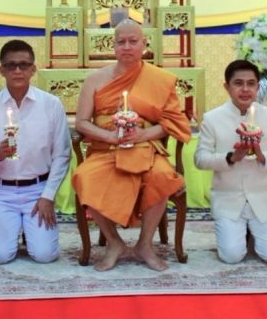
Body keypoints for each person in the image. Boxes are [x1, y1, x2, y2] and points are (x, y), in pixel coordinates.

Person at [72, 20, 191, 271]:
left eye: (133, 41)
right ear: (113, 45)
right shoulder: (95, 79)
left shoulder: (159, 79)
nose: (127, 47)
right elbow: (81, 122)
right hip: (106, 148)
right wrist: (110, 137)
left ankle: (144, 245)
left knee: (162, 176)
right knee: (84, 177)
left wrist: (144, 134)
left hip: (145, 147)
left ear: (144, 44)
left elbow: (172, 122)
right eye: (121, 42)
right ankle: (114, 243)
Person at [0, 40, 71, 264]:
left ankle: (29, 230)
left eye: (24, 65)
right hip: (2, 191)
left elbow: (62, 154)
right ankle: (12, 226)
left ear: (33, 69)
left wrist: (48, 196)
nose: (18, 70)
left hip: (38, 190)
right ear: (2, 70)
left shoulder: (51, 104)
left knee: (45, 255)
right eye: (11, 65)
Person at [194, 60, 267, 264]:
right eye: (238, 83)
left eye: (251, 83)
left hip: (263, 198)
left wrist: (261, 154)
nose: (245, 89)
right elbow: (200, 160)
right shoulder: (212, 119)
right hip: (228, 198)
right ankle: (240, 233)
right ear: (226, 86)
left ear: (258, 87)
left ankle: (253, 233)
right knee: (231, 256)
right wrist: (231, 157)